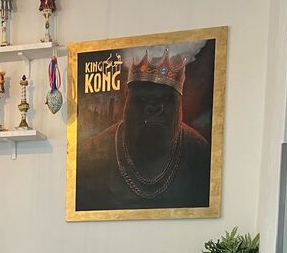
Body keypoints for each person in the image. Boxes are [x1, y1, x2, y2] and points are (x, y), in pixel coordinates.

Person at [75, 50, 211, 212]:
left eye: (166, 99)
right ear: (127, 98)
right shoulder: (90, 155)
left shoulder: (201, 154)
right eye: (142, 99)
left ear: (179, 104)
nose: (153, 108)